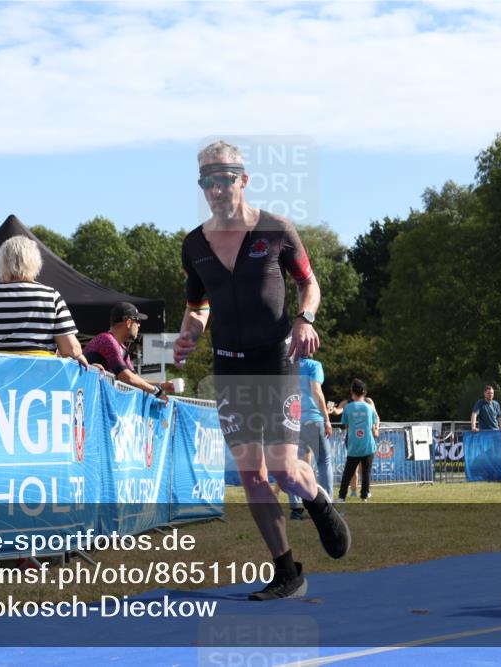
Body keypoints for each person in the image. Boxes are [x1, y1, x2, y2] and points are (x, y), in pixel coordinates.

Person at [173, 140, 349, 601]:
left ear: (243, 179)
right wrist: (189, 334)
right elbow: (197, 307)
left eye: (224, 178)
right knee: (251, 475)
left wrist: (304, 318)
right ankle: (287, 571)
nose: (215, 188)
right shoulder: (194, 244)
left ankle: (317, 500)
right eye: (206, 180)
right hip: (229, 368)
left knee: (285, 471)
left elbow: (309, 283)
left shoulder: (276, 230)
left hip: (275, 363)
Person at [0, 236, 87, 365]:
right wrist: (78, 354)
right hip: (40, 376)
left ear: (2, 262)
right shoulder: (51, 296)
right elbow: (69, 348)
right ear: (35, 261)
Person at [83, 302, 176, 399]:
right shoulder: (107, 340)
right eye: (138, 321)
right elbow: (127, 378)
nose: (139, 325)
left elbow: (135, 379)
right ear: (128, 322)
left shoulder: (122, 349)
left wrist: (163, 385)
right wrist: (157, 392)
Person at [287, 354, 334, 521]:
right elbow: (316, 390)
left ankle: (296, 509)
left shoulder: (287, 365)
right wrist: (327, 418)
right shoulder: (314, 365)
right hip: (313, 420)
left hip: (292, 421)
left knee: (294, 465)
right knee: (324, 461)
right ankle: (328, 507)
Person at [329, 392, 380, 497]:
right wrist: (332, 409)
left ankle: (365, 491)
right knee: (353, 468)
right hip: (352, 439)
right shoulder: (346, 403)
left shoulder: (368, 401)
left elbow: (376, 417)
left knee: (364, 468)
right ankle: (353, 491)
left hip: (366, 438)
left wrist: (376, 428)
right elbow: (338, 411)